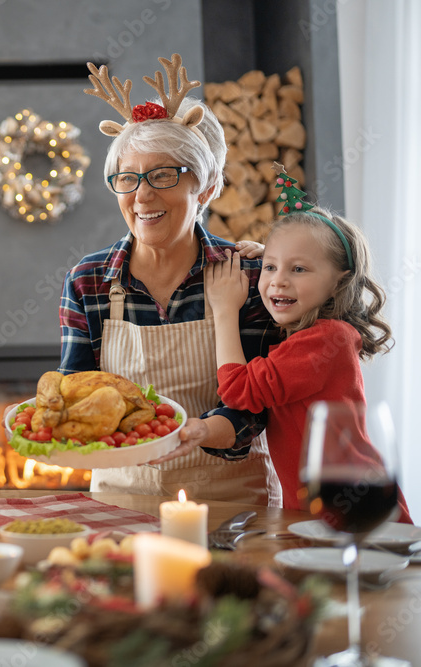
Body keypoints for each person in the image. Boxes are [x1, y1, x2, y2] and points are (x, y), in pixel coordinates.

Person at [59, 54, 282, 504]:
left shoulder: (252, 275)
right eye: (128, 177)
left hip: (232, 508)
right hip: (120, 502)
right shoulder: (89, 281)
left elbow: (255, 410)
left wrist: (191, 433)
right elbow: (75, 390)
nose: (142, 195)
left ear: (204, 185)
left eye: (162, 175)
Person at [206, 205, 412, 520]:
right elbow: (299, 276)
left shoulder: (325, 340)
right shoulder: (324, 333)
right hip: (318, 509)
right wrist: (284, 261)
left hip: (352, 510)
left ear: (339, 283)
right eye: (270, 268)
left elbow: (238, 389)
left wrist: (224, 311)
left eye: (298, 269)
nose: (278, 282)